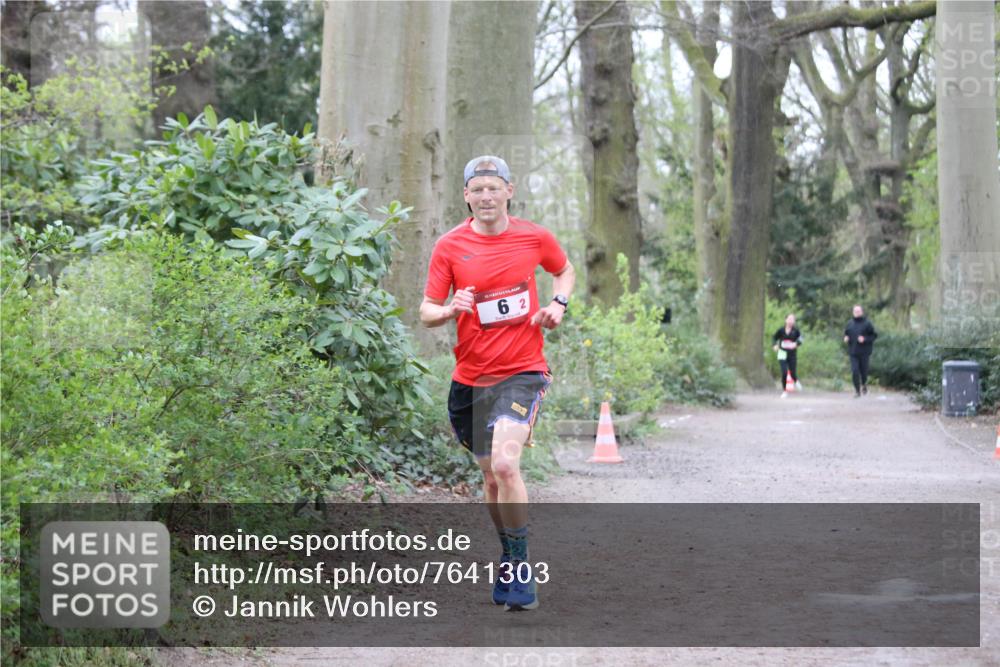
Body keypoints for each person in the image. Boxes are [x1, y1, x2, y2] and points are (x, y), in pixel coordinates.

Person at [420, 155, 575, 611]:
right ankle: (508, 555)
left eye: (494, 187)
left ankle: (522, 565)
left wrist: (558, 305)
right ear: (466, 196)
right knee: (490, 478)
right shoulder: (449, 247)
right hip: (471, 380)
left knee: (507, 467)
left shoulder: (534, 237)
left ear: (510, 190)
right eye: (477, 189)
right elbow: (426, 310)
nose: (486, 196)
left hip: (523, 371)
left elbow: (564, 269)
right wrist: (450, 309)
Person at [843, 304, 878, 397]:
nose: (857, 313)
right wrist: (846, 338)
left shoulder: (867, 323)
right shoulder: (849, 323)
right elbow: (846, 334)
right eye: (855, 311)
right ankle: (857, 391)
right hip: (853, 352)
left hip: (864, 352)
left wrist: (865, 339)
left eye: (858, 311)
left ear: (862, 312)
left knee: (864, 372)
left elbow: (874, 336)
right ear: (853, 312)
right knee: (854, 371)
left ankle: (864, 384)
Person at [772, 313, 803, 397]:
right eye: (789, 319)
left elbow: (801, 339)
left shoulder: (796, 331)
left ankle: (796, 380)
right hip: (782, 353)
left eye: (792, 320)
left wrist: (796, 344)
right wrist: (774, 345)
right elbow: (774, 338)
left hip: (792, 354)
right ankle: (785, 391)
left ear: (794, 322)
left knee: (792, 372)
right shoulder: (781, 330)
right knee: (784, 372)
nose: (790, 321)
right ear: (785, 320)